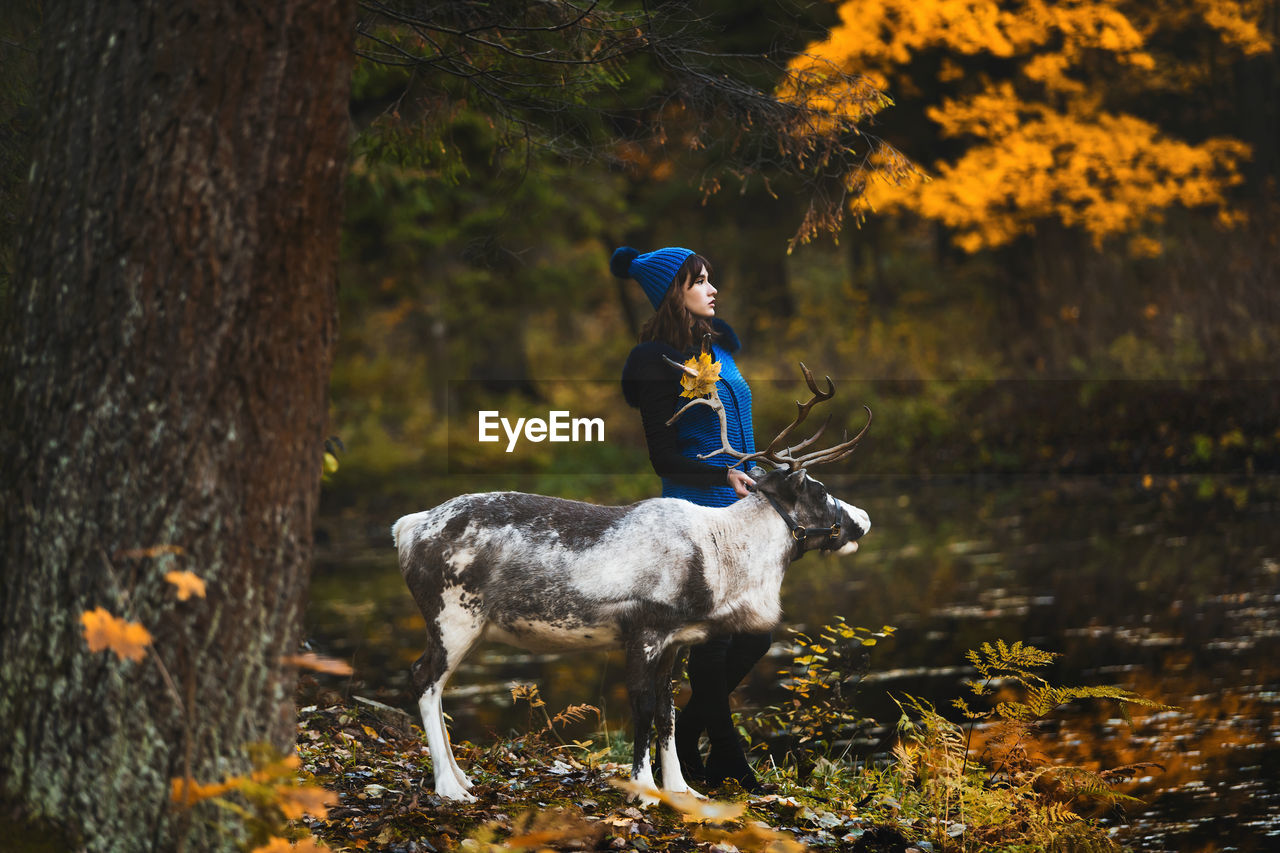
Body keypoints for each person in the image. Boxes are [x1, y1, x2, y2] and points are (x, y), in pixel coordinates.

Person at [614, 245, 770, 792]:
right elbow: (663, 455)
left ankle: (685, 740)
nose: (712, 288)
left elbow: (735, 424)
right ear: (673, 291)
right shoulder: (656, 360)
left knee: (756, 632)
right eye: (699, 280)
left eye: (711, 278)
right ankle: (727, 757)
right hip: (697, 514)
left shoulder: (716, 346)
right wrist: (722, 474)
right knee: (717, 642)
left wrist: (756, 471)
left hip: (743, 512)